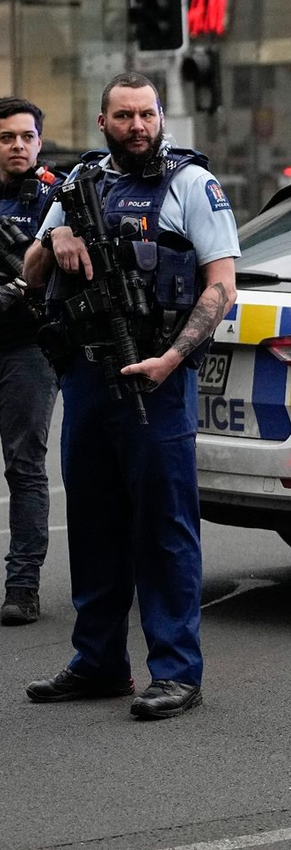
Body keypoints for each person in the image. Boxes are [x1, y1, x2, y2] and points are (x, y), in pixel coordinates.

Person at [22, 72, 239, 720]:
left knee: (164, 527)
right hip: (87, 377)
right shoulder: (79, 183)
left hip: (159, 377)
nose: (137, 126)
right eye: (124, 116)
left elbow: (222, 284)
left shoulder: (192, 185)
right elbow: (30, 273)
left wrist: (173, 358)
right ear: (103, 122)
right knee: (92, 522)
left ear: (161, 117)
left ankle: (175, 671)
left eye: (147, 114)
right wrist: (53, 236)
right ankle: (99, 661)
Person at [0, 98, 64, 626]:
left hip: (28, 346)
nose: (17, 145)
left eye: (25, 136)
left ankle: (22, 586)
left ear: (39, 141)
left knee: (24, 467)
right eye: (6, 137)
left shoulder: (59, 195)